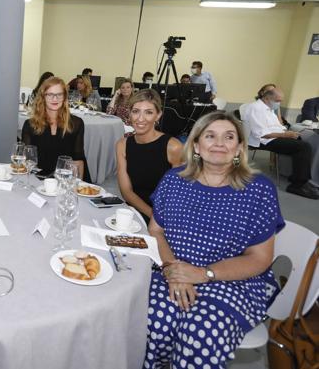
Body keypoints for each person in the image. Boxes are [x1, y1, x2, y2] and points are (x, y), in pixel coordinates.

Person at [144, 111, 285, 369]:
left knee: (200, 332)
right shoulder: (174, 180)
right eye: (210, 135)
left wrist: (202, 274)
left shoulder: (258, 189)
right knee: (150, 319)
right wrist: (172, 270)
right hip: (171, 267)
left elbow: (260, 258)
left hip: (231, 280)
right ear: (196, 145)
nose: (219, 143)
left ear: (239, 147)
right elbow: (156, 231)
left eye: (229, 137)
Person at [115, 89, 183, 223]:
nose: (140, 119)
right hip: (134, 212)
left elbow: (178, 197)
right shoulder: (122, 145)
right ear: (129, 113)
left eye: (149, 112)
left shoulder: (173, 147)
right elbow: (126, 192)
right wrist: (152, 215)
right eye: (135, 111)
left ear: (158, 116)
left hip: (166, 217)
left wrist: (158, 221)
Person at [243, 87, 317, 199]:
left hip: (274, 137)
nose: (279, 103)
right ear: (267, 98)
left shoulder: (268, 109)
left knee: (302, 142)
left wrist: (288, 132)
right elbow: (261, 134)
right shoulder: (256, 108)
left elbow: (277, 127)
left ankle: (300, 179)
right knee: (302, 147)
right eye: (277, 100)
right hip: (263, 141)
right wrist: (285, 135)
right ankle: (297, 185)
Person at [21, 76, 89, 181]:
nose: (55, 99)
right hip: (37, 180)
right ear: (43, 97)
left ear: (65, 97)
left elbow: (78, 161)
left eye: (59, 94)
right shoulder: (30, 124)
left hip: (65, 180)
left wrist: (76, 187)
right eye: (50, 94)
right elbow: (26, 162)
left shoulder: (76, 124)